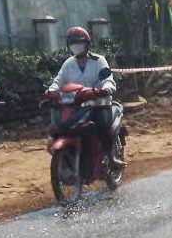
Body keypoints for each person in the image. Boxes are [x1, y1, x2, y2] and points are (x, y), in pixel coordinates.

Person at [47, 26, 123, 166]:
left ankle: (110, 157)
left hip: (99, 104)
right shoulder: (68, 63)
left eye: (79, 42)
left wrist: (105, 89)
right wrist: (51, 91)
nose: (76, 46)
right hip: (76, 106)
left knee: (102, 126)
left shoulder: (99, 61)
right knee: (57, 127)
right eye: (72, 43)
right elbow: (58, 81)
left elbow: (108, 79)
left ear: (87, 44)